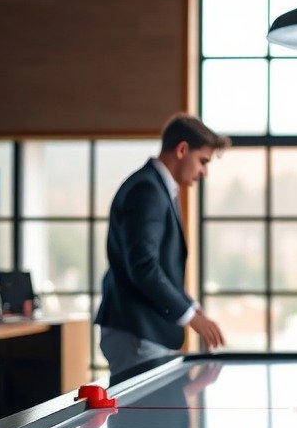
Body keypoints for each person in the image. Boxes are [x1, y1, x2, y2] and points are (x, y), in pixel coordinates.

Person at [96, 114, 230, 379]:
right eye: (203, 161)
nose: (205, 172)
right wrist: (191, 317)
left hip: (144, 333)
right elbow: (144, 266)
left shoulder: (158, 188)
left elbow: (161, 268)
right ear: (182, 150)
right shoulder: (147, 189)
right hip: (137, 332)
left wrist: (192, 306)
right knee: (143, 421)